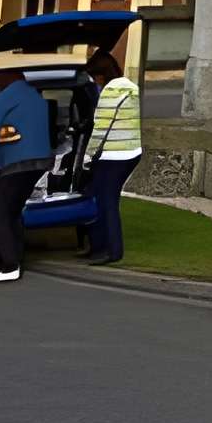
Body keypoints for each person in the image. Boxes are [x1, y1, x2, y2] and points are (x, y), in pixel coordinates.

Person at [0, 67, 54, 284]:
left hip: (16, 163)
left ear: (6, 77)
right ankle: (17, 258)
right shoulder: (36, 97)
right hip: (41, 162)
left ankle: (10, 266)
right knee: (13, 210)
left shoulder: (2, 100)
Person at [78, 49, 142, 266]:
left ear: (101, 75)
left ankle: (111, 251)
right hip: (131, 152)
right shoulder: (131, 88)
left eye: (95, 77)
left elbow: (101, 128)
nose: (95, 82)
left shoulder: (109, 92)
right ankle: (98, 246)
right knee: (101, 196)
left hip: (114, 155)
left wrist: (87, 157)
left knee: (106, 201)